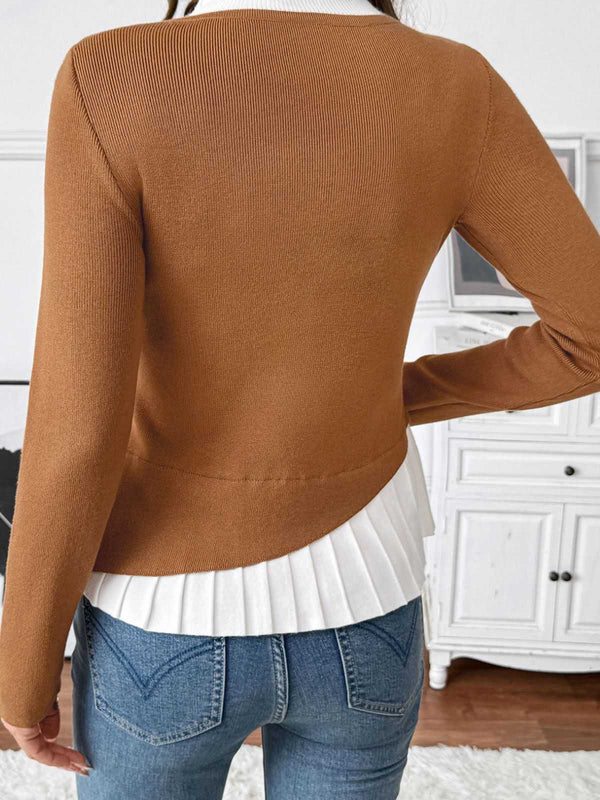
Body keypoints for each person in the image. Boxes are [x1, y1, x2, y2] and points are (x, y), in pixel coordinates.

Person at [1, 0, 600, 797]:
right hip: (369, 599)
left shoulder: (108, 75)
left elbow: (79, 428)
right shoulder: (454, 82)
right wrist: (389, 397)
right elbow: (590, 334)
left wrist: (23, 674)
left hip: (161, 616)